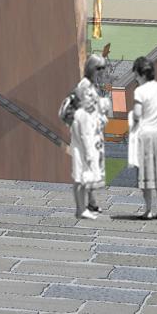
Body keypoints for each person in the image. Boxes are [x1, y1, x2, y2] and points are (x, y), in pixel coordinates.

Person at [59, 54, 113, 211]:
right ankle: (84, 206)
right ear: (91, 68)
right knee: (86, 168)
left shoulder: (91, 86)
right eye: (99, 68)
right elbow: (88, 112)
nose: (102, 71)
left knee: (91, 168)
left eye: (104, 67)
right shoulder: (85, 86)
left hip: (92, 134)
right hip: (85, 135)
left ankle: (92, 201)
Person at [127, 55, 157, 219]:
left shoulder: (140, 91)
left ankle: (148, 210)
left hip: (146, 135)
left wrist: (132, 119)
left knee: (147, 176)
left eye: (136, 76)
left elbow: (138, 115)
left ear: (141, 75)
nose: (135, 79)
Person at [69, 84, 106, 220]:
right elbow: (84, 136)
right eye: (89, 95)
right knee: (80, 181)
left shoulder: (82, 113)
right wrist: (90, 155)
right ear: (81, 98)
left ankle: (81, 208)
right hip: (83, 152)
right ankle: (81, 209)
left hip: (81, 151)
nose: (92, 98)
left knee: (81, 181)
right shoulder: (82, 114)